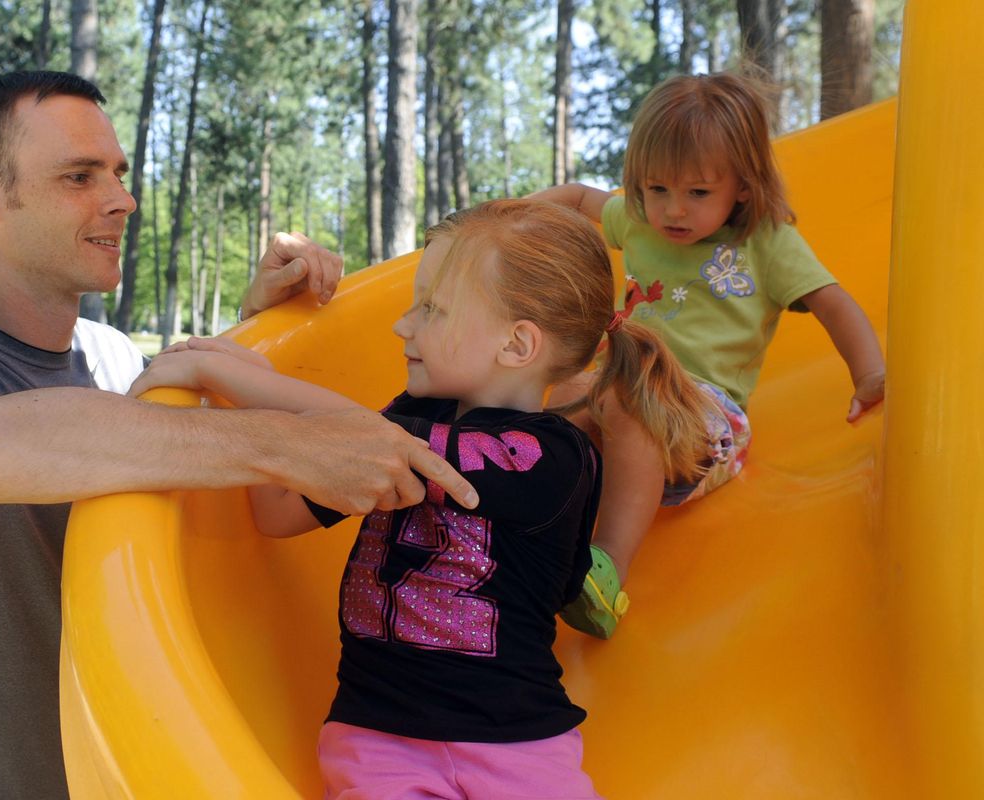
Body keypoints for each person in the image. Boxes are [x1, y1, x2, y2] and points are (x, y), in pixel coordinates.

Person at [0, 71, 477, 800]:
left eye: (118, 173)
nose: (122, 199)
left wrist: (250, 337)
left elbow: (178, 496)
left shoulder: (115, 359)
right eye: (80, 175)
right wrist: (290, 443)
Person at [132, 198, 712, 799]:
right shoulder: (410, 417)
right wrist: (249, 389)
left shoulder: (554, 457)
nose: (403, 324)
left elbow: (392, 446)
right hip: (376, 739)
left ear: (517, 345)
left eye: (431, 308)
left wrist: (246, 378)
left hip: (516, 744)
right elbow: (277, 510)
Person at [530, 71, 886, 639]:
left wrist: (869, 373)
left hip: (708, 413)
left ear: (742, 186)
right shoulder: (642, 223)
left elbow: (833, 302)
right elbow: (575, 197)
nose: (673, 210)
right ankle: (528, 538)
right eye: (657, 189)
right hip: (626, 383)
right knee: (567, 396)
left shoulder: (765, 243)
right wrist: (506, 217)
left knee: (626, 400)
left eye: (698, 193)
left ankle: (604, 575)